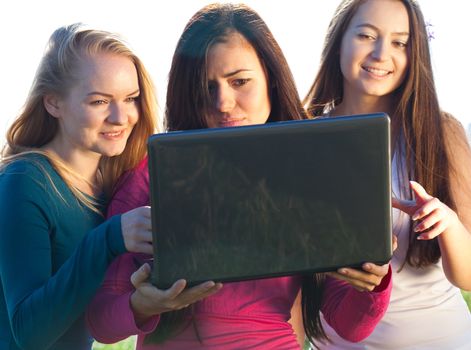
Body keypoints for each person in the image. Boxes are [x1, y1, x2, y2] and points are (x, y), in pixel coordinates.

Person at [86, 3, 393, 349]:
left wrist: (374, 283)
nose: (224, 103)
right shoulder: (149, 177)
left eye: (240, 81)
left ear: (271, 80)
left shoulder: (311, 174)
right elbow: (101, 323)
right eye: (208, 87)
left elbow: (350, 326)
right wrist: (143, 305)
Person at [304, 0, 471, 348]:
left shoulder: (441, 133)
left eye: (399, 42)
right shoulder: (303, 137)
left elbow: (468, 276)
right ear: (339, 41)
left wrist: (448, 223)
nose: (381, 54)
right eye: (366, 35)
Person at [0, 23, 158, 350]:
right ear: (53, 103)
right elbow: (28, 333)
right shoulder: (25, 182)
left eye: (131, 99)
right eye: (99, 102)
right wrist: (110, 237)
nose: (120, 116)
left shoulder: (114, 184)